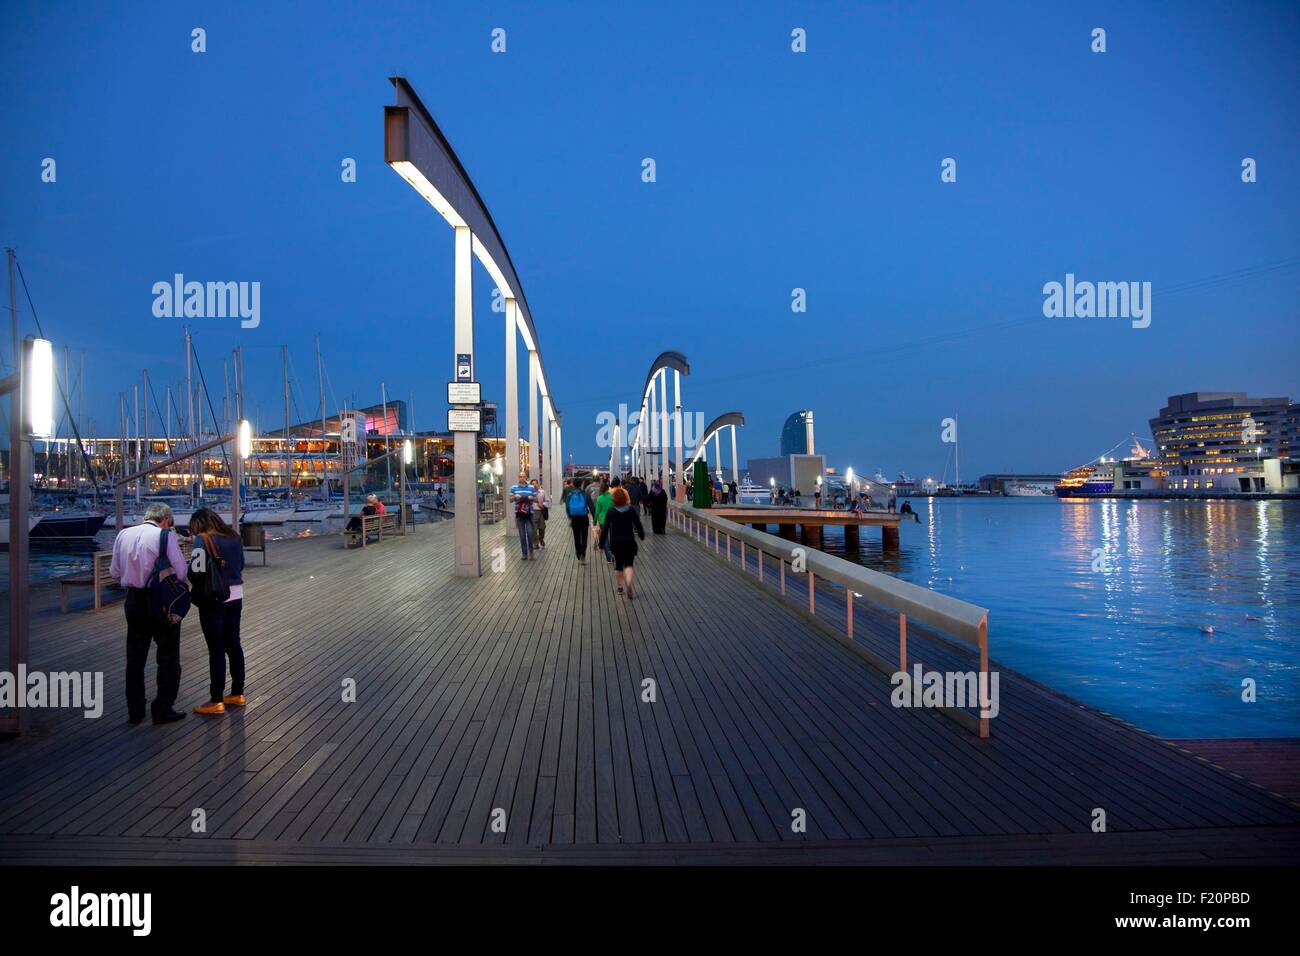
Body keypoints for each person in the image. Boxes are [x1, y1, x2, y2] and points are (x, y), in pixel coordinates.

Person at [109, 502, 189, 725]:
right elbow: (181, 572)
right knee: (168, 656)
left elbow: (114, 572)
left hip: (133, 600)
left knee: (135, 658)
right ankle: (162, 708)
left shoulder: (123, 534)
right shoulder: (165, 536)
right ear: (165, 520)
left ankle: (135, 710)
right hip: (160, 601)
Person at [187, 508, 246, 716]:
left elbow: (195, 571)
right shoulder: (234, 537)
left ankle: (216, 699)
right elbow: (241, 565)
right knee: (234, 644)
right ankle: (237, 693)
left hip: (214, 598)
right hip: (236, 594)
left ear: (198, 524)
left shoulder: (202, 540)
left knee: (216, 649)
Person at [599, 487, 646, 598]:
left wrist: (601, 545)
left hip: (616, 542)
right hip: (629, 541)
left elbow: (605, 529)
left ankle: (620, 587)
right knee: (629, 564)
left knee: (619, 565)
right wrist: (641, 535)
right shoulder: (631, 510)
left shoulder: (611, 512)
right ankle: (629, 582)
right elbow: (638, 524)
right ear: (625, 498)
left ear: (614, 499)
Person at [563, 479, 596, 561]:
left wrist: (570, 516)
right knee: (584, 537)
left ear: (573, 485)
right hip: (584, 517)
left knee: (576, 537)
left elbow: (567, 507)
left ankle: (578, 553)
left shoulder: (570, 494)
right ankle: (583, 554)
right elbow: (591, 506)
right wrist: (595, 517)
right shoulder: (585, 494)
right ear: (581, 484)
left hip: (574, 518)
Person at [509, 473, 537, 559]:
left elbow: (536, 499)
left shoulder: (531, 488)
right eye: (520, 476)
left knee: (529, 533)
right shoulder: (514, 488)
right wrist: (514, 496)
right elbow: (510, 500)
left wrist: (532, 498)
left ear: (526, 477)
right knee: (521, 535)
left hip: (529, 514)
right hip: (519, 514)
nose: (522, 478)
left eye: (524, 476)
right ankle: (524, 554)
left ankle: (531, 552)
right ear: (518, 477)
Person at [594, 480, 614, 562]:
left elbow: (597, 511)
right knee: (613, 537)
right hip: (613, 520)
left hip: (603, 521)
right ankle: (614, 554)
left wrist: (595, 521)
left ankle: (609, 558)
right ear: (608, 489)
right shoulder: (613, 496)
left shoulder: (599, 498)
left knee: (605, 538)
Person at [531, 478, 549, 548]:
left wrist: (543, 504)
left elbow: (547, 501)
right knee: (534, 529)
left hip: (541, 512)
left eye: (535, 483)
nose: (534, 485)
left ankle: (541, 538)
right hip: (533, 512)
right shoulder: (530, 493)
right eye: (532, 484)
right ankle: (535, 543)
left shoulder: (542, 492)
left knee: (542, 528)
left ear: (538, 484)